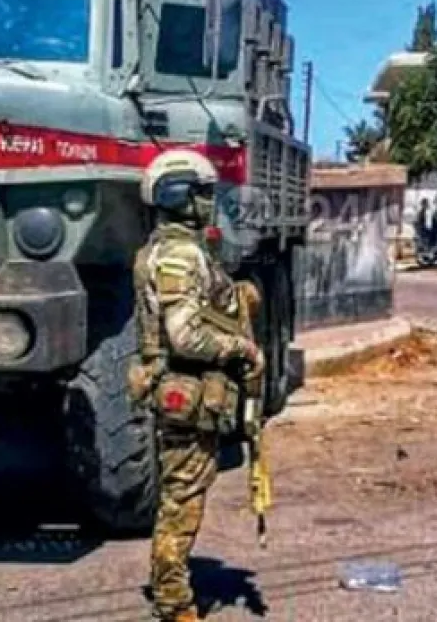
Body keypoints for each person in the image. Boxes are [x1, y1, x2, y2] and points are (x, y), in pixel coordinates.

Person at [130, 149, 262, 622]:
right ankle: (174, 602)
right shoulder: (181, 257)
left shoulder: (166, 250)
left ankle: (172, 590)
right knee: (181, 499)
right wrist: (241, 350)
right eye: (203, 194)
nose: (209, 202)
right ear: (181, 197)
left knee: (181, 494)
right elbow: (185, 335)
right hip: (185, 390)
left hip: (180, 389)